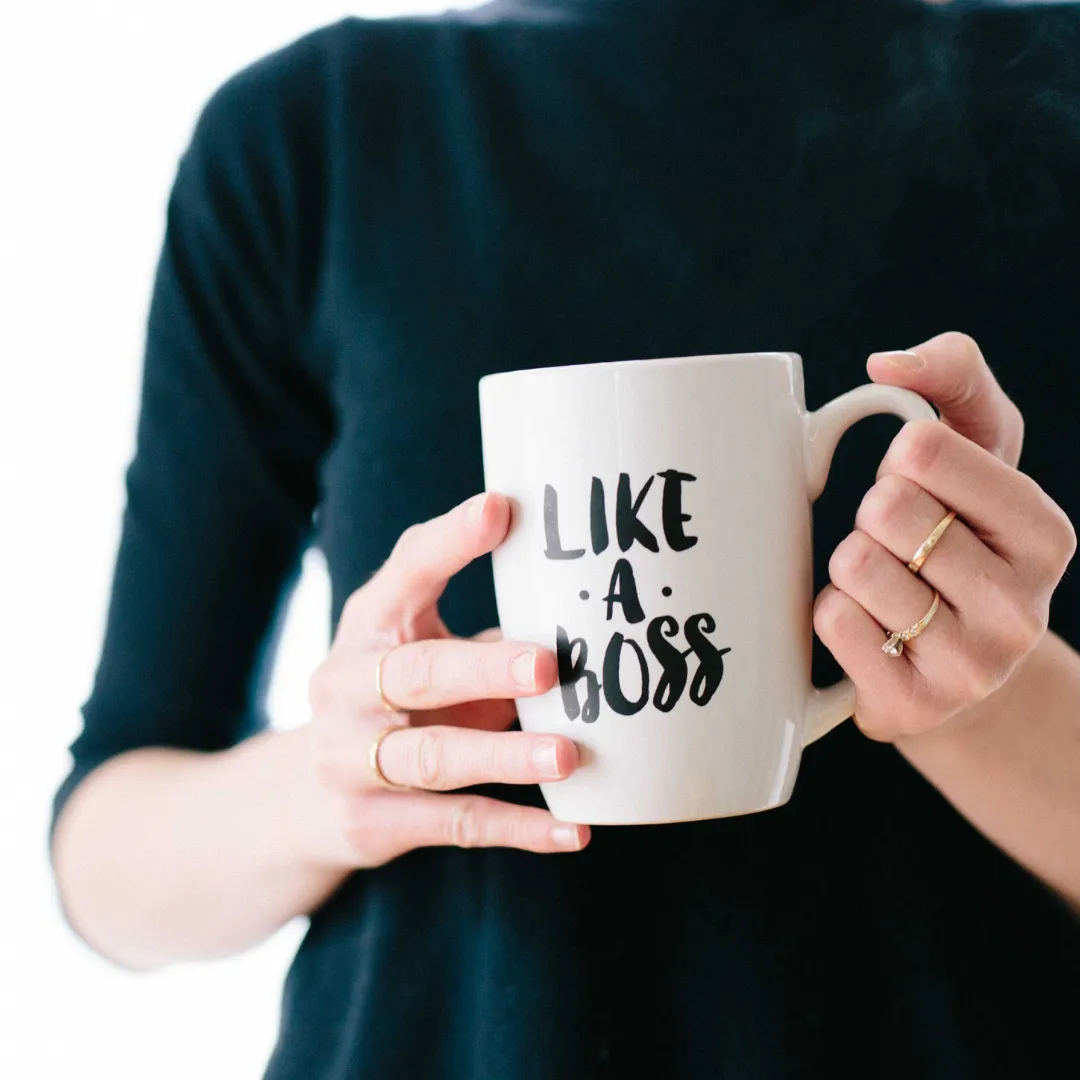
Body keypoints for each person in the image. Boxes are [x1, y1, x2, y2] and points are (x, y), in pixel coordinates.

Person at [50, 1, 1080, 1077]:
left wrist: (979, 697)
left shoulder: (1048, 89)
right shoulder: (314, 135)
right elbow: (101, 860)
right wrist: (337, 783)